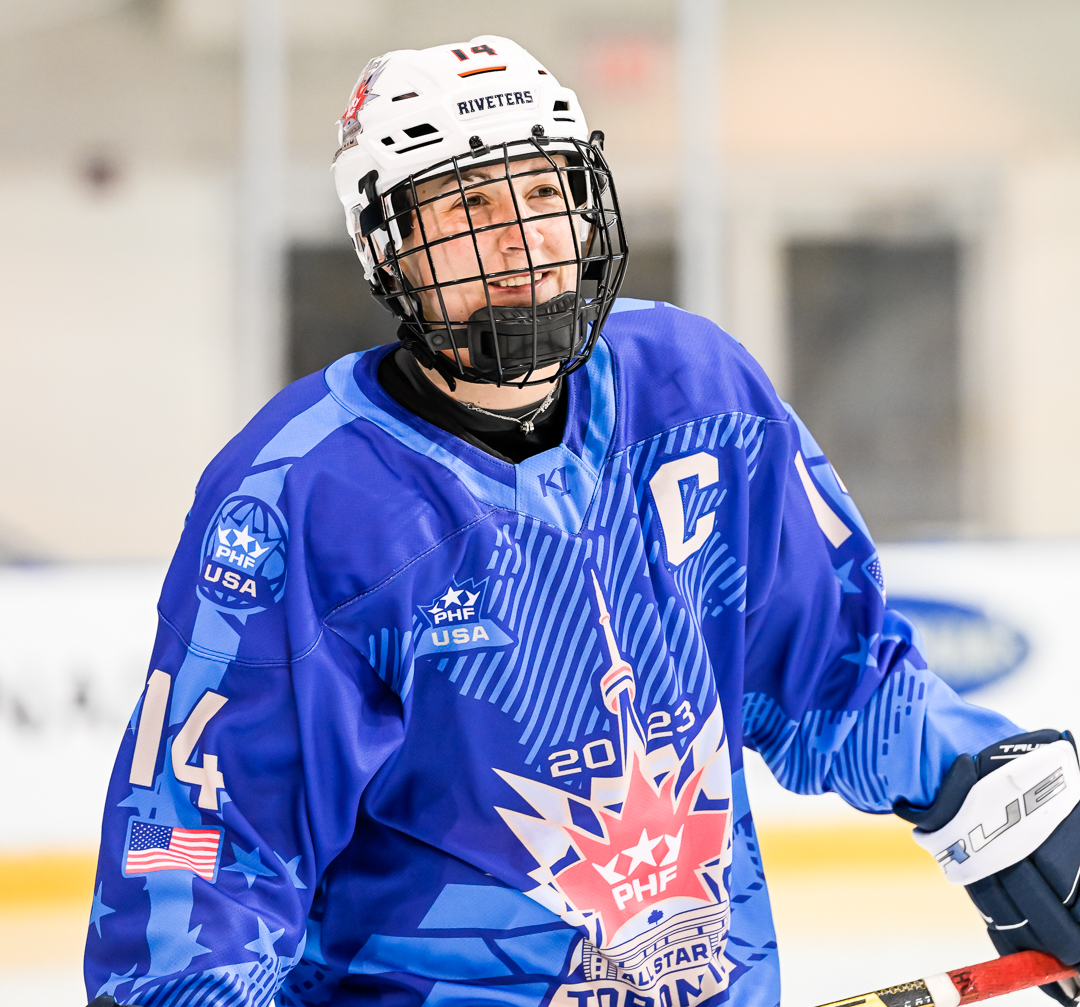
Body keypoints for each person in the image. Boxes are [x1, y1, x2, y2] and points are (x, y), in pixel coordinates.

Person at [84, 35, 1080, 1007]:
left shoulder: (697, 393)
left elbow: (834, 670)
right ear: (386, 244)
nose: (521, 237)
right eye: (468, 203)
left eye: (544, 190)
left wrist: (991, 797)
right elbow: (207, 849)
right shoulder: (305, 496)